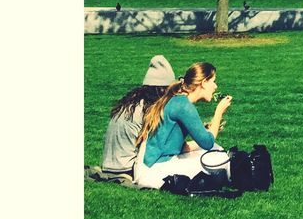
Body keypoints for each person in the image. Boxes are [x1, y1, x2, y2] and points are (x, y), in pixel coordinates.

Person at [132, 62, 232, 190]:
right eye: (213, 81)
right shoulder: (184, 106)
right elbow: (207, 142)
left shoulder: (177, 100)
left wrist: (209, 131)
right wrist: (219, 112)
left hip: (149, 166)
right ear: (203, 82)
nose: (215, 86)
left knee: (216, 150)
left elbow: (182, 146)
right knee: (220, 158)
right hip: (155, 171)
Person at [98, 54, 176, 180]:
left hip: (108, 166)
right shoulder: (149, 109)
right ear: (162, 90)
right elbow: (162, 145)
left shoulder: (132, 102)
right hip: (126, 169)